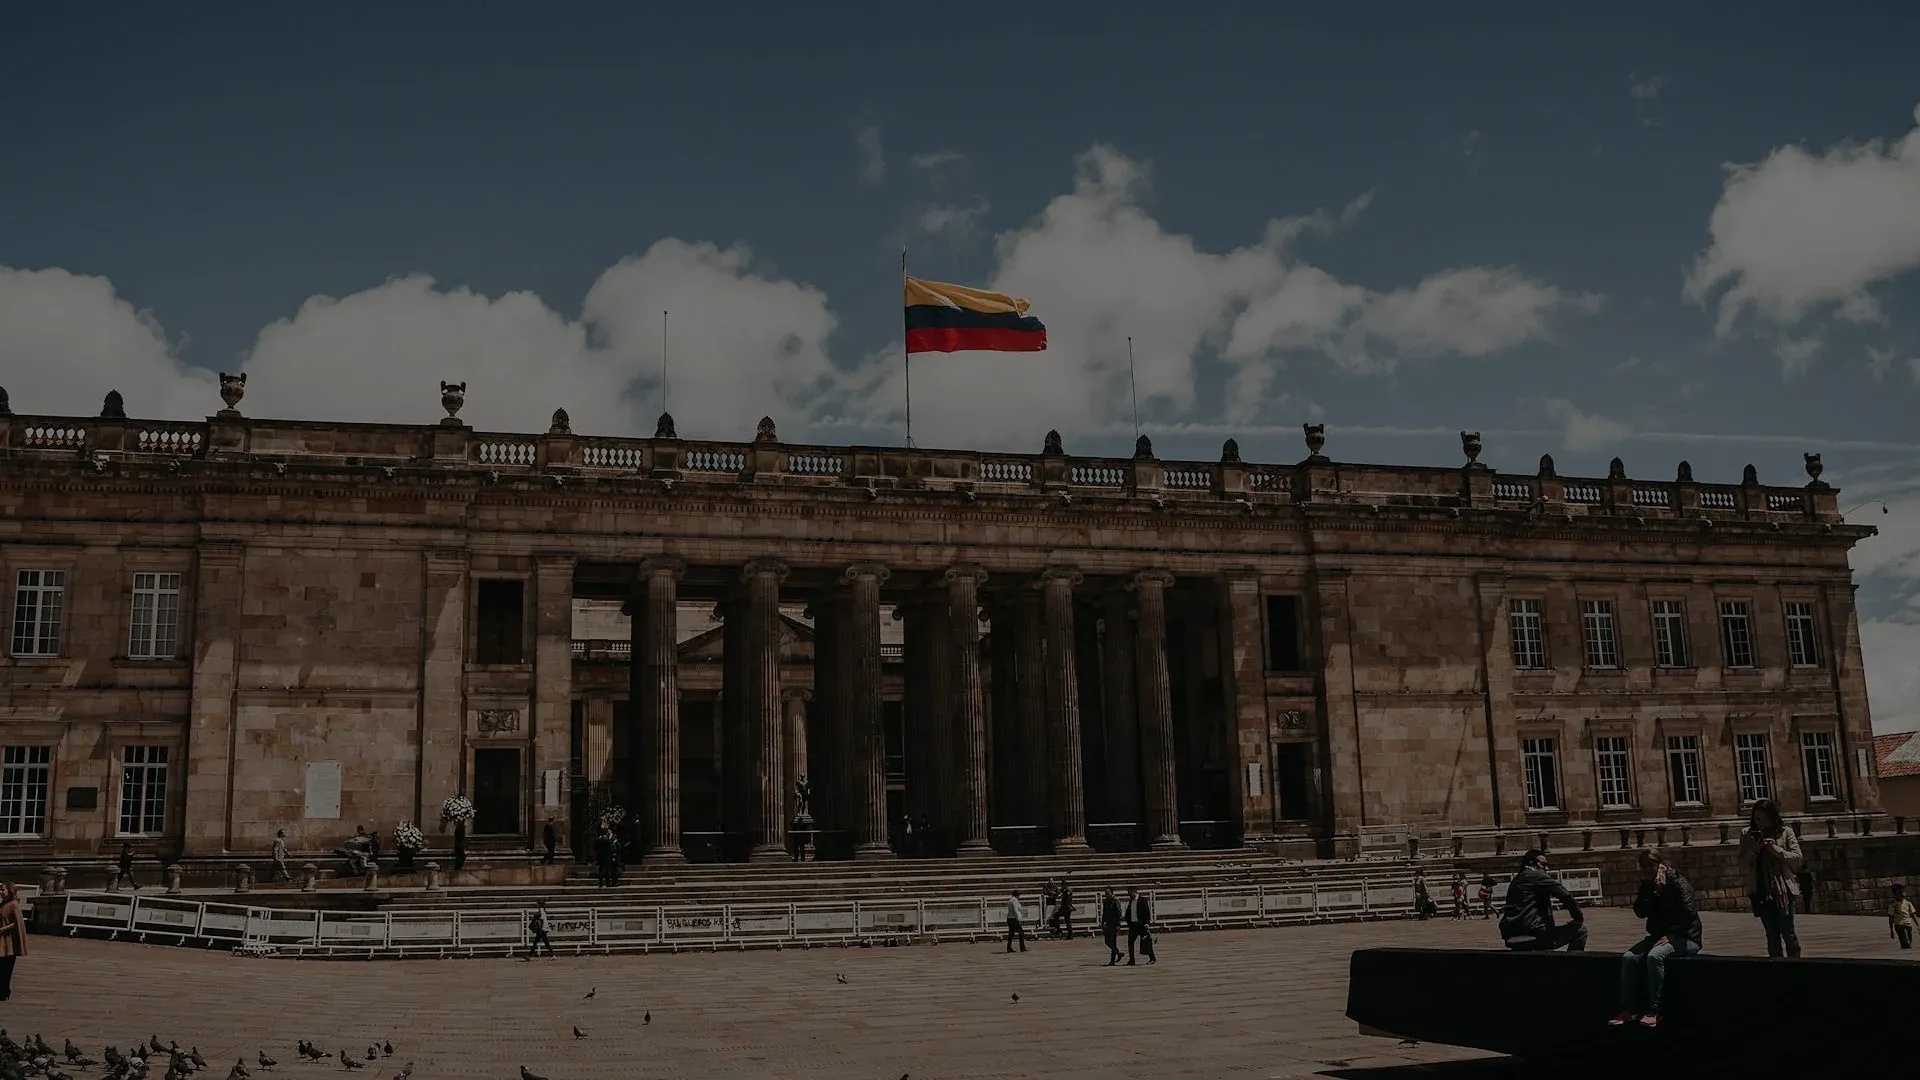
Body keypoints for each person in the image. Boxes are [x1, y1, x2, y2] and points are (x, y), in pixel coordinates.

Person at [1612, 849, 1702, 1029]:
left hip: (1686, 937)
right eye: (1644, 866)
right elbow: (1640, 912)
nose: (1647, 870)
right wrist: (1653, 891)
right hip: (1658, 937)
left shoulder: (1677, 881)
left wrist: (1672, 935)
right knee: (1629, 958)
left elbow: (1689, 912)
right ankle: (1630, 1009)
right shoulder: (1648, 884)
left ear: (1660, 864)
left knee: (1655, 956)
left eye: (1651, 865)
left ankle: (1655, 1010)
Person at [1738, 797, 1804, 958]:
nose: (1760, 823)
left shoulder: (1785, 832)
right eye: (1757, 818)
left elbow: (1797, 859)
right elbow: (1742, 866)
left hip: (1784, 891)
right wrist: (1754, 850)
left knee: (1788, 932)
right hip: (1761, 890)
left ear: (1773, 818)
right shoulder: (1747, 834)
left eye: (1765, 819)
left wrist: (1775, 849)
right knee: (1771, 934)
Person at [1499, 849, 1587, 952]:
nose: (1547, 868)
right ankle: (1570, 966)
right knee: (1580, 930)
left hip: (1511, 933)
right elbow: (1565, 895)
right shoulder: (1537, 876)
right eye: (1543, 864)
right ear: (1532, 863)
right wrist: (1578, 917)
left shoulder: (1517, 879)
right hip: (1534, 932)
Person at [0, 882, 23, 1001]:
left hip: (8, 941)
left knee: (5, 968)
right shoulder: (3, 904)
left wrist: (2, 929)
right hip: (1, 940)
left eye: (3, 890)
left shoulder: (14, 905)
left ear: (10, 891)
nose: (1, 892)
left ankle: (4, 992)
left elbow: (16, 923)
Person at [1125, 887, 1156, 965]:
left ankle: (1152, 958)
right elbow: (1128, 913)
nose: (1129, 895)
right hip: (1133, 926)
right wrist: (1128, 921)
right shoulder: (1131, 901)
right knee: (1130, 942)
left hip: (1141, 925)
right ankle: (1132, 960)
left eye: (1129, 893)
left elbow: (1146, 912)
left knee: (1146, 942)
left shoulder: (1143, 900)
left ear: (1134, 892)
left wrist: (1146, 923)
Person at [1100, 887, 1123, 965]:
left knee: (1113, 941)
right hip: (1108, 924)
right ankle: (1118, 952)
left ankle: (1112, 961)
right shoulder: (1106, 902)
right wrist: (1102, 923)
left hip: (1114, 924)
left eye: (1108, 893)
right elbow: (1104, 913)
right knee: (1107, 941)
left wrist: (1118, 924)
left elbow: (1119, 913)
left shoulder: (1116, 901)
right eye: (1105, 893)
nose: (1106, 895)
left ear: (1112, 893)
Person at [1888, 883, 1915, 950]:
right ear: (1894, 894)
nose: (1901, 894)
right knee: (1906, 943)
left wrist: (1918, 925)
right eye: (1899, 892)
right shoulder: (1892, 905)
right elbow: (1891, 918)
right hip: (1899, 925)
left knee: (1908, 942)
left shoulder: (1908, 903)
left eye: (1902, 892)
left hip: (1908, 924)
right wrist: (1891, 930)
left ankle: (1905, 954)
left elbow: (1913, 914)